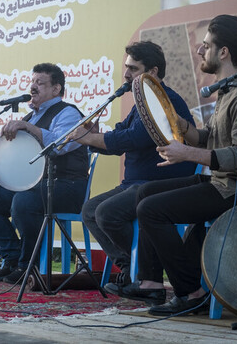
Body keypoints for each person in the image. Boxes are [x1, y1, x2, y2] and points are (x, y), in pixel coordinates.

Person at [128, 15, 237, 315]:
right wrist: (179, 123)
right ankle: (151, 283)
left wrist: (186, 153)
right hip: (222, 183)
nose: (200, 51)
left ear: (223, 53)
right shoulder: (229, 91)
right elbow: (209, 137)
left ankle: (191, 292)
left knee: (151, 210)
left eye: (206, 45)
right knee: (144, 194)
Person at [67, 41, 196, 303]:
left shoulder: (166, 100)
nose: (126, 75)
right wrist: (94, 136)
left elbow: (134, 139)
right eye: (126, 68)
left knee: (107, 212)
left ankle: (147, 273)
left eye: (133, 69)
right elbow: (119, 137)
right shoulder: (141, 102)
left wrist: (90, 140)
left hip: (161, 183)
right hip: (136, 183)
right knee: (90, 210)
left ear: (154, 72)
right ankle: (131, 269)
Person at [0, 63, 89, 284]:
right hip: (33, 185)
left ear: (56, 89)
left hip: (67, 185)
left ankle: (28, 266)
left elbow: (60, 145)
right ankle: (13, 258)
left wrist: (30, 129)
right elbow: (12, 159)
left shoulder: (68, 112)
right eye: (32, 82)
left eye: (40, 83)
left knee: (24, 201)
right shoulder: (28, 119)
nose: (33, 87)